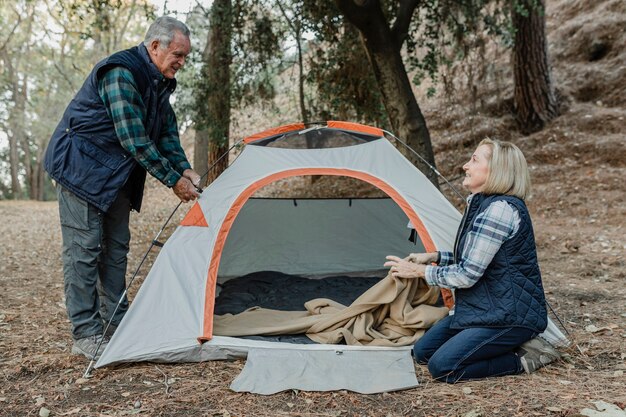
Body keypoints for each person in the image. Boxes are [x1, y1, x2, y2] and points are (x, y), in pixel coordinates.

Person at [44, 16, 201, 360]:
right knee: (84, 250)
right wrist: (173, 180)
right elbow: (135, 139)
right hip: (80, 168)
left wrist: (185, 168)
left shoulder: (161, 82)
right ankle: (85, 333)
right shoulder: (121, 72)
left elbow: (166, 134)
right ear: (155, 45)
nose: (181, 62)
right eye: (178, 54)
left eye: (185, 56)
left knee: (116, 247)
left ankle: (116, 322)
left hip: (116, 175)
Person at [384, 138, 560, 383]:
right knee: (422, 352)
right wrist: (434, 257)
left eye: (474, 160)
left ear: (497, 170)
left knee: (443, 367)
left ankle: (526, 356)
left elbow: (466, 274)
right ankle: (493, 346)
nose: (466, 166)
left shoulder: (500, 210)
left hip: (509, 316)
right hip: (485, 309)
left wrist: (418, 271)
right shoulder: (480, 203)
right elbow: (478, 258)